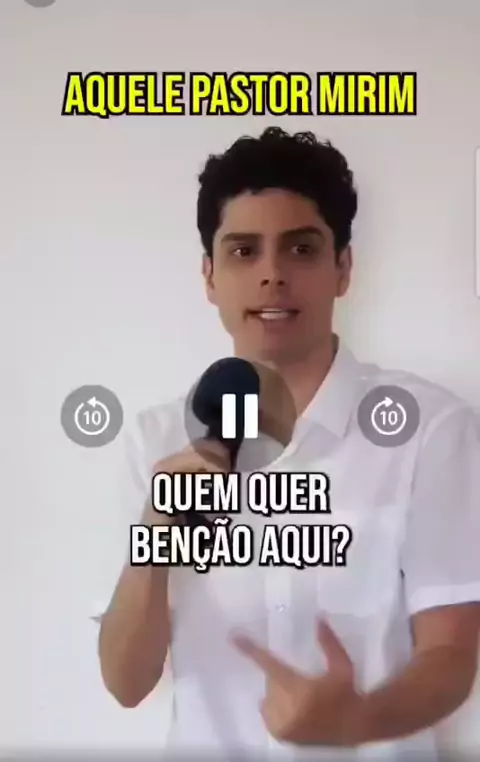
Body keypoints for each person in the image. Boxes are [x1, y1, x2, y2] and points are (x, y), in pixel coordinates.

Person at [96, 127, 480, 760]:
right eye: (244, 251)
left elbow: (452, 656)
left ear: (343, 269)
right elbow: (126, 683)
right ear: (209, 276)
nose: (272, 275)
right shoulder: (154, 440)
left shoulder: (430, 429)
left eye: (301, 249)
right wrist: (157, 535)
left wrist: (359, 720)